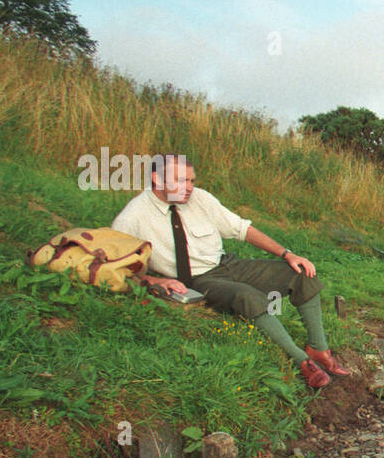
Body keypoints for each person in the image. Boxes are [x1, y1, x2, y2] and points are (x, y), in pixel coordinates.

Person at [112, 153, 349, 388]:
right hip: (198, 280)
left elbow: (241, 229)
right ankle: (302, 361)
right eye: (181, 180)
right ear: (157, 179)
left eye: (192, 181)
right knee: (245, 294)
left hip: (227, 264)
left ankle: (319, 349)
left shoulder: (200, 199)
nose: (189, 187)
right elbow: (117, 268)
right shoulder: (133, 216)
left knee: (301, 274)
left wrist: (287, 254)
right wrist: (156, 281)